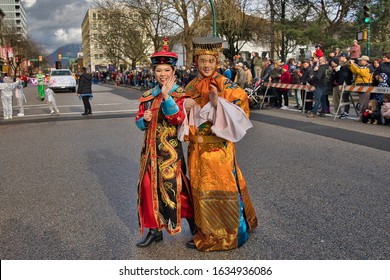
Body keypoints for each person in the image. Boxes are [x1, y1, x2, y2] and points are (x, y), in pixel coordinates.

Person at [182, 36, 258, 251]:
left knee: (220, 190)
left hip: (218, 149)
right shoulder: (190, 86)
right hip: (196, 149)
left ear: (217, 63)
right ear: (196, 62)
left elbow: (241, 111)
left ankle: (226, 233)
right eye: (202, 61)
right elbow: (180, 116)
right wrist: (184, 107)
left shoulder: (228, 85)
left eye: (211, 61)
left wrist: (218, 104)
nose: (206, 65)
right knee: (200, 192)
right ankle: (204, 230)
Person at [135, 39, 195, 248]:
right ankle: (155, 231)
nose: (162, 74)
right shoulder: (147, 96)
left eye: (166, 70)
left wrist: (167, 97)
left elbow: (178, 119)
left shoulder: (180, 95)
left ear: (173, 71)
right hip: (149, 153)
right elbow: (138, 122)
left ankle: (194, 225)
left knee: (175, 189)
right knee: (148, 188)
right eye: (158, 70)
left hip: (170, 153)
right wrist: (145, 120)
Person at [349, 55, 372, 121]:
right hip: (361, 86)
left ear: (365, 61)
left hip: (365, 86)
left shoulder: (368, 68)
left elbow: (360, 71)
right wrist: (351, 65)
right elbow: (355, 71)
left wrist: (353, 64)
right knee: (362, 102)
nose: (359, 61)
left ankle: (362, 116)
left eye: (361, 60)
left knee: (364, 103)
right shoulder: (363, 67)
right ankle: (361, 115)